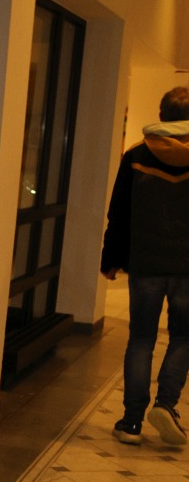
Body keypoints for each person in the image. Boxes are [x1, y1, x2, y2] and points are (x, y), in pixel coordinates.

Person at [101, 86, 189, 447]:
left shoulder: (137, 155)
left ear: (161, 115)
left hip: (146, 264)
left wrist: (111, 259)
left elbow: (119, 212)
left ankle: (131, 422)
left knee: (141, 339)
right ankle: (166, 405)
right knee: (184, 336)